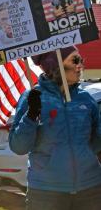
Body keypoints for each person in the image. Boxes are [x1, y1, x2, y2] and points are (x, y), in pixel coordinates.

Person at [9, 46, 101, 210]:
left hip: (90, 188)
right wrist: (30, 116)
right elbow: (19, 146)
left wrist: (86, 155)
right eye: (75, 60)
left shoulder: (86, 98)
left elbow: (96, 141)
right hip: (46, 192)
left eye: (81, 60)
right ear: (55, 65)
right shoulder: (32, 97)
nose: (80, 65)